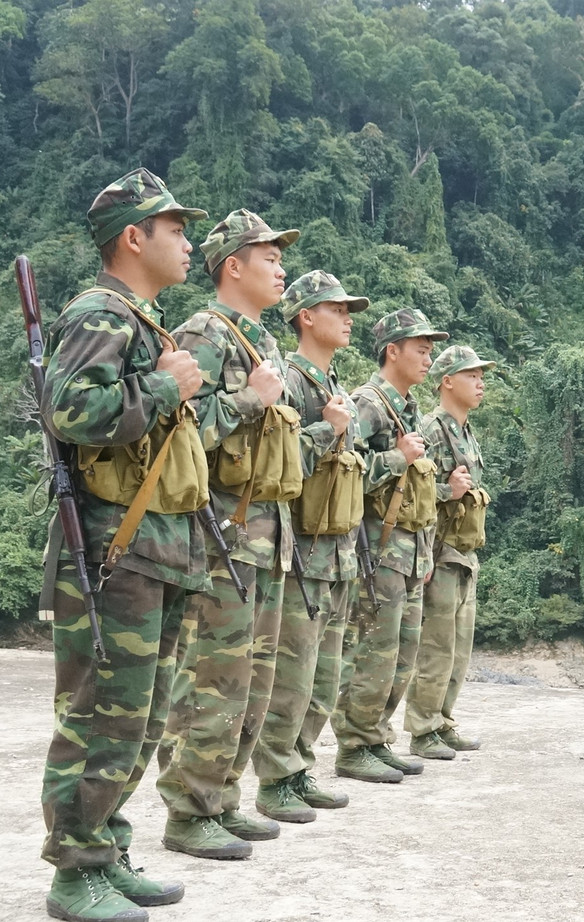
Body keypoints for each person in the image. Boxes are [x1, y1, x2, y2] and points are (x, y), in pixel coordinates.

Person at [38, 168, 208, 922]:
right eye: (175, 229)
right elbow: (71, 411)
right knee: (103, 712)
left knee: (140, 716)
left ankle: (106, 846)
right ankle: (75, 873)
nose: (188, 241)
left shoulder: (144, 322)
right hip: (114, 548)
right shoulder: (102, 314)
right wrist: (168, 386)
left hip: (154, 548)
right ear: (133, 238)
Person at [156, 209, 299, 860]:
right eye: (270, 256)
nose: (282, 267)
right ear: (232, 265)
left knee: (253, 679)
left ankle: (223, 796)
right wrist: (250, 400)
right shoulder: (205, 335)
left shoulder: (261, 342)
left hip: (266, 537)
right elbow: (179, 435)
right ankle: (189, 810)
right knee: (213, 674)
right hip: (219, 536)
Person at [251, 271, 368, 821]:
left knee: (325, 678)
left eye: (350, 310)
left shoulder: (334, 385)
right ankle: (275, 778)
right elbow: (278, 465)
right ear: (305, 316)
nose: (347, 317)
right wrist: (326, 430)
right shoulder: (292, 380)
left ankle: (299, 766)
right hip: (301, 551)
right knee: (293, 675)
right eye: (337, 308)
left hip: (339, 554)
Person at [332, 308, 446, 783]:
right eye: (419, 348)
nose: (427, 357)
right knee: (373, 652)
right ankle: (354, 744)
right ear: (391, 351)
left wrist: (426, 552)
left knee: (402, 654)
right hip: (377, 548)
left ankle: (376, 737)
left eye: (430, 349)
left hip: (409, 550)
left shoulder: (407, 405)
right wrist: (397, 457)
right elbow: (345, 469)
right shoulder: (369, 402)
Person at [405, 345, 496, 759]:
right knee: (437, 650)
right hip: (440, 555)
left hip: (465, 555)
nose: (480, 383)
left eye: (482, 376)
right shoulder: (431, 429)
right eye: (471, 375)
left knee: (459, 651)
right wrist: (448, 491)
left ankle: (442, 721)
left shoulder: (465, 432)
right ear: (447, 381)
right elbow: (414, 495)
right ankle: (423, 731)